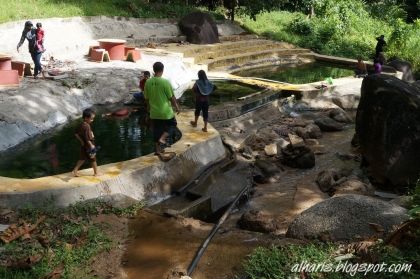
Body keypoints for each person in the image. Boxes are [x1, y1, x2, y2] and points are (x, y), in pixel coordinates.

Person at [144, 62, 180, 155]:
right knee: (173, 125)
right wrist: (177, 107)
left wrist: (148, 109)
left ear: (153, 70)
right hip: (165, 112)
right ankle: (162, 138)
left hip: (154, 112)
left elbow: (146, 99)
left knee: (157, 129)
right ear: (162, 70)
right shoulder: (165, 82)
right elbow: (171, 97)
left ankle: (157, 150)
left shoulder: (148, 82)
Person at [72, 108, 99, 176]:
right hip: (89, 146)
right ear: (86, 118)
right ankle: (96, 173)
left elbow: (76, 134)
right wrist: (91, 146)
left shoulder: (81, 125)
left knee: (82, 158)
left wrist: (81, 141)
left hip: (84, 145)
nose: (92, 120)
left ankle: (75, 171)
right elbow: (87, 139)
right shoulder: (87, 126)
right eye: (91, 119)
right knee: (93, 159)